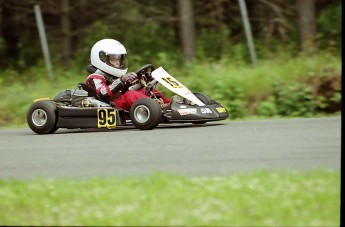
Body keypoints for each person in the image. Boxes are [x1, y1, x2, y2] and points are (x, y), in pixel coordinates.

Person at [86, 38, 171, 111]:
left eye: (119, 59)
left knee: (146, 90)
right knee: (130, 95)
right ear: (102, 59)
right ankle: (157, 107)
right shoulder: (94, 78)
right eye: (113, 59)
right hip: (111, 105)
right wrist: (121, 80)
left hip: (121, 101)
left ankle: (170, 105)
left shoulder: (114, 76)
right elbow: (102, 93)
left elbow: (128, 89)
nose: (118, 62)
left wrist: (143, 81)